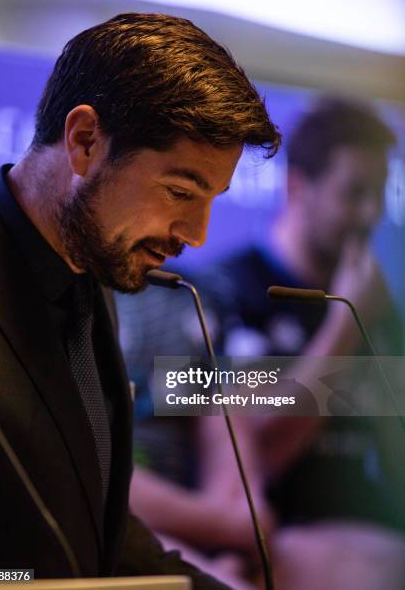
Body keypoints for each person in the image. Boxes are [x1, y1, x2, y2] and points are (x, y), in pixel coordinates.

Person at [0, 12, 280, 586]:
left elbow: (97, 528)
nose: (197, 233)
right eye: (180, 191)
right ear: (84, 142)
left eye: (211, 199)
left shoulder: (94, 272)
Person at [118, 98, 405, 588]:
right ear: (298, 187)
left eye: (379, 195)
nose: (370, 215)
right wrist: (345, 326)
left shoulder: (381, 308)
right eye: (354, 193)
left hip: (357, 527)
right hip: (287, 533)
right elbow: (251, 439)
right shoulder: (222, 293)